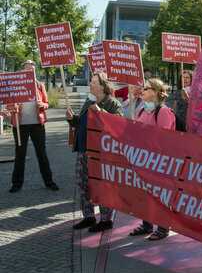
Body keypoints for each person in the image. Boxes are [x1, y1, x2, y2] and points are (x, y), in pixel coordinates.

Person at [67, 72, 123, 232]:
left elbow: (117, 125)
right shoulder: (88, 101)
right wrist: (72, 119)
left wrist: (100, 112)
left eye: (93, 82)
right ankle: (88, 217)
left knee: (103, 185)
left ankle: (106, 219)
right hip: (84, 150)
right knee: (82, 183)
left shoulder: (112, 103)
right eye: (91, 82)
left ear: (103, 86)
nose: (90, 84)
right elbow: (81, 123)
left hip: (101, 154)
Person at [128, 78, 176, 241]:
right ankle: (146, 224)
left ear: (155, 92)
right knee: (145, 193)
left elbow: (164, 139)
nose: (142, 90)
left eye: (145, 88)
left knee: (160, 194)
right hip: (144, 161)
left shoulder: (163, 112)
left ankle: (163, 227)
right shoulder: (141, 111)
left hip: (159, 162)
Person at [2, 60, 58, 193]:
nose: (29, 72)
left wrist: (42, 105)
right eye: (27, 69)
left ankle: (49, 181)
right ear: (22, 71)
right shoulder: (14, 86)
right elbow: (9, 106)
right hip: (20, 125)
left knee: (42, 153)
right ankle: (16, 184)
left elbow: (46, 103)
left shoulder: (39, 86)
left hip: (37, 124)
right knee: (20, 154)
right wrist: (12, 108)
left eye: (32, 70)